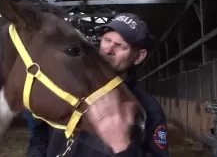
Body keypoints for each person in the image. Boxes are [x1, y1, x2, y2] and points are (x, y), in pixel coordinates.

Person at [24, 13, 169, 157]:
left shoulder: (148, 109)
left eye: (120, 46)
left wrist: (124, 148)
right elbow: (40, 131)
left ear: (139, 56)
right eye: (107, 40)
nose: (108, 49)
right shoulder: (67, 84)